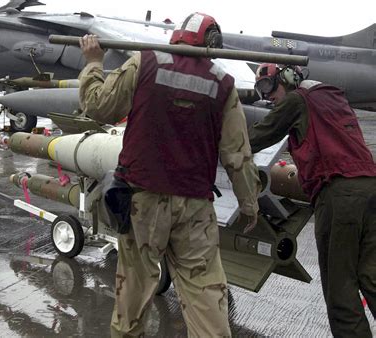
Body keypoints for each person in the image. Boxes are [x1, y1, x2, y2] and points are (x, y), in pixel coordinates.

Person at [78, 12, 261, 337]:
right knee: (207, 302)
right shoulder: (223, 83)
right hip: (195, 210)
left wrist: (93, 63)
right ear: (212, 44)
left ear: (177, 35)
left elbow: (99, 107)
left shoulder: (144, 62)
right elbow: (238, 155)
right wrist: (249, 204)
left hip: (142, 202)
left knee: (131, 304)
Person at [248, 63, 376, 338]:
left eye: (268, 86)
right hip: (370, 188)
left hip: (339, 196)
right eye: (260, 90)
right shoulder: (332, 96)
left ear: (289, 78)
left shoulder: (296, 100)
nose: (266, 95)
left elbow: (256, 137)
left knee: (340, 292)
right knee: (372, 278)